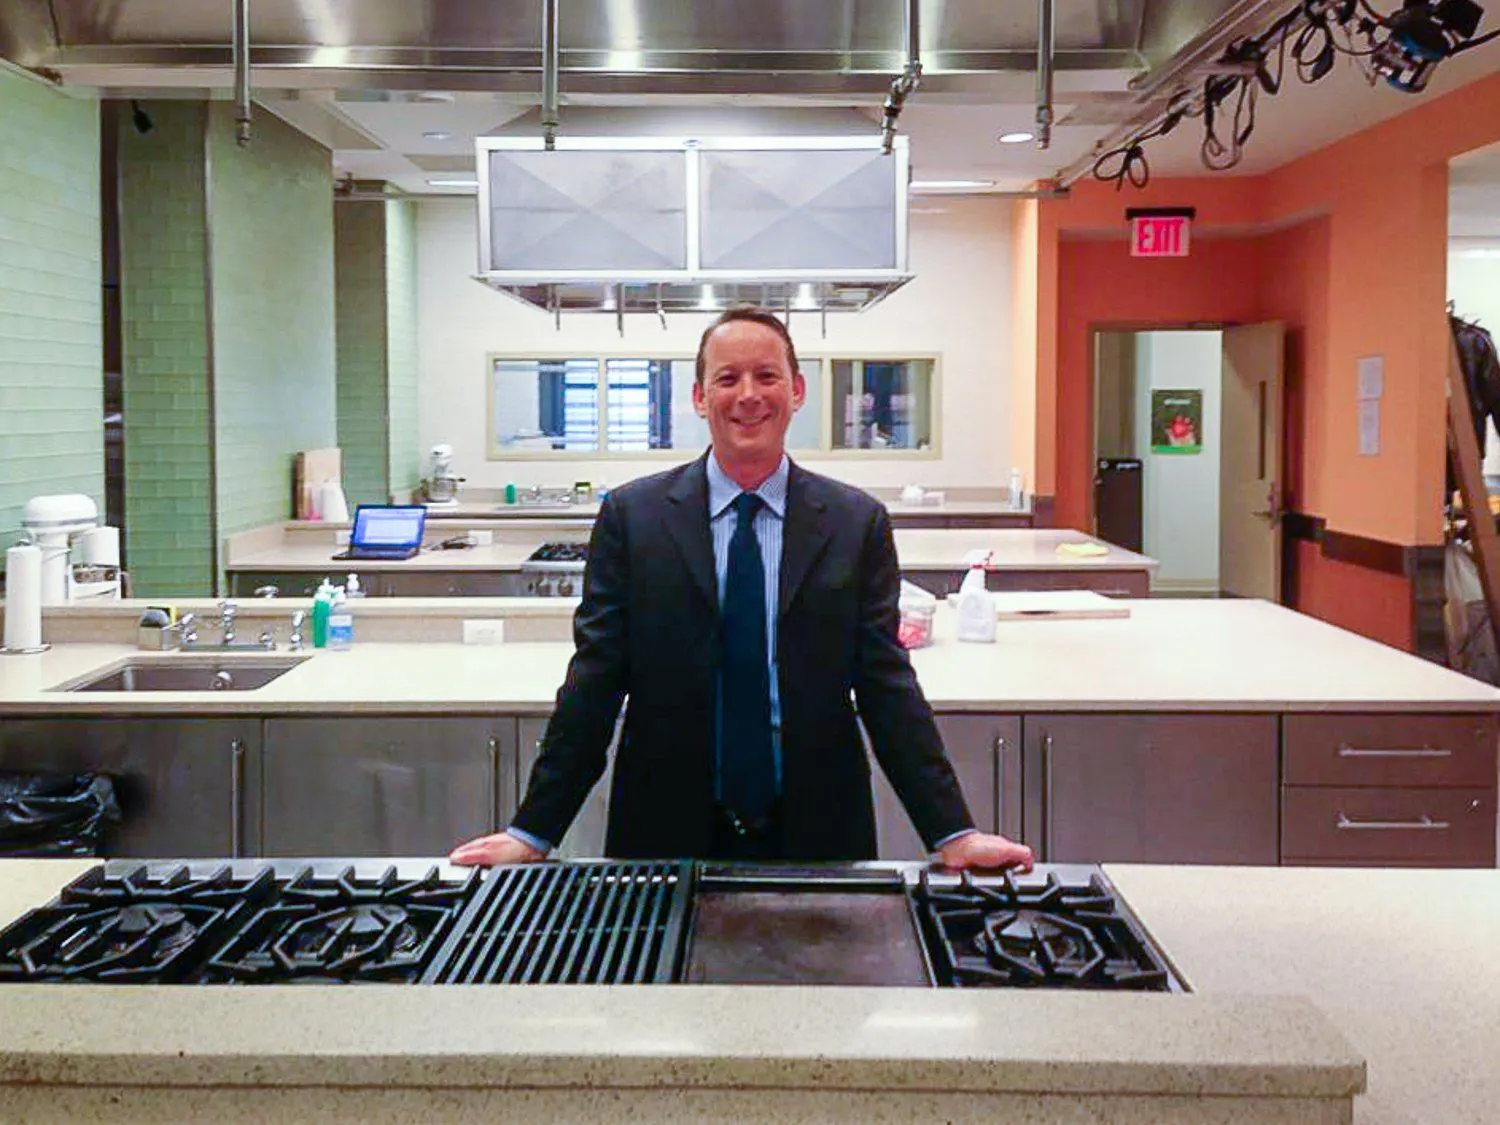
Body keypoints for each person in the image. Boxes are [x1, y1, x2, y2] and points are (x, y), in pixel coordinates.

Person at [450, 307, 1034, 871]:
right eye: (727, 378)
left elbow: (886, 686)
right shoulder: (635, 518)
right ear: (700, 397)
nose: (748, 394)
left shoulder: (856, 524)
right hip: (663, 828)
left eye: (766, 375)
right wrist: (534, 831)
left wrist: (951, 831)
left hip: (820, 828)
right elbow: (596, 681)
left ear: (797, 390)